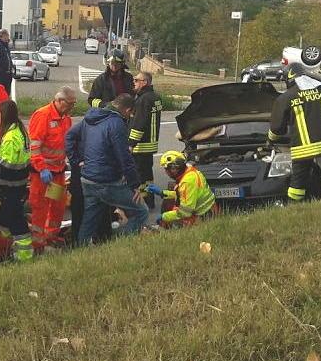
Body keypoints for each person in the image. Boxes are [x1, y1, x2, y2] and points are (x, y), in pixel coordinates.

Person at [267, 63, 321, 202]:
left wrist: (270, 140)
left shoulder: (286, 98)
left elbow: (277, 128)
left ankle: (294, 206)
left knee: (297, 182)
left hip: (304, 149)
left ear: (288, 78)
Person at [68, 93, 148, 245]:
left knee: (90, 218)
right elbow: (124, 157)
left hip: (88, 179)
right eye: (130, 113)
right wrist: (134, 184)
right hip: (107, 181)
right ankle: (118, 244)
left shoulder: (90, 117)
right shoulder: (116, 123)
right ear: (127, 110)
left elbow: (70, 136)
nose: (130, 117)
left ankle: (81, 248)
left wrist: (76, 160)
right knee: (141, 212)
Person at [0, 100, 33, 261]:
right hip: (15, 186)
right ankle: (5, 248)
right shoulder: (17, 131)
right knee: (5, 219)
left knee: (15, 220)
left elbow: (8, 166)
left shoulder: (12, 136)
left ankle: (24, 254)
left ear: (4, 115)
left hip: (11, 186)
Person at [28, 86, 76, 250]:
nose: (72, 107)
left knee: (57, 206)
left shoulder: (66, 118)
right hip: (42, 175)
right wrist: (42, 168)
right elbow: (34, 147)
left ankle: (51, 236)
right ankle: (38, 242)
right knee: (40, 207)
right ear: (60, 101)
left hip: (57, 173)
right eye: (70, 103)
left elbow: (66, 145)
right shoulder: (43, 115)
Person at [147, 151, 216, 227]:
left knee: (167, 224)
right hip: (206, 211)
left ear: (174, 168)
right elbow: (184, 194)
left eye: (166, 169)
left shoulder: (187, 182)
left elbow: (185, 212)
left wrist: (164, 216)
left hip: (202, 217)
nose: (166, 172)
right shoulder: (190, 172)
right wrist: (162, 193)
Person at [128, 71, 162, 209]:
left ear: (145, 82)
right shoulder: (155, 97)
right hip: (151, 143)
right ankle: (150, 200)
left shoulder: (143, 100)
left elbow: (138, 124)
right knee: (148, 175)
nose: (134, 82)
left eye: (137, 80)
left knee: (140, 177)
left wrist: (131, 143)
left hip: (141, 145)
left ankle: (142, 204)